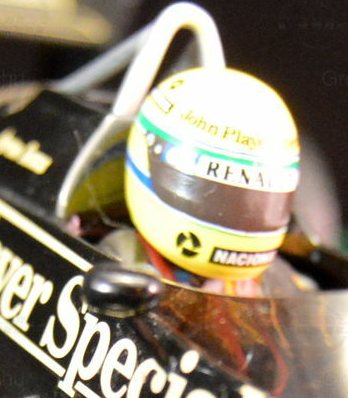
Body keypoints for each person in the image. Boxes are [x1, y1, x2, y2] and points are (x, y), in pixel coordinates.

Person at [103, 66, 311, 297]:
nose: (242, 214)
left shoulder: (272, 279)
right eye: (221, 197)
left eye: (256, 200)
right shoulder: (123, 258)